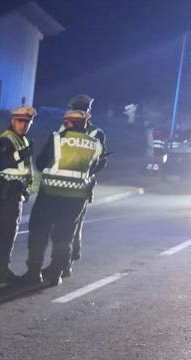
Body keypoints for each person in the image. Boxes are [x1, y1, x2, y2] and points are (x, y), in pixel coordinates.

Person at [25, 98, 104, 287]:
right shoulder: (95, 142)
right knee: (64, 235)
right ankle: (56, 274)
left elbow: (41, 163)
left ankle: (34, 272)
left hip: (50, 194)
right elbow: (98, 165)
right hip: (76, 197)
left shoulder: (58, 138)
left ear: (68, 121)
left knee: (39, 232)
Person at [0, 105, 36, 282]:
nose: (24, 125)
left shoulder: (22, 139)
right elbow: (2, 162)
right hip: (5, 191)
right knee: (6, 231)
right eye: (21, 121)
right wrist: (22, 154)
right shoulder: (5, 139)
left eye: (27, 122)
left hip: (13, 191)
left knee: (5, 231)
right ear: (13, 120)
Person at [70, 95, 111, 264]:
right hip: (60, 184)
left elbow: (102, 161)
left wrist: (88, 174)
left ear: (88, 112)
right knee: (66, 225)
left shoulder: (95, 133)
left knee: (74, 223)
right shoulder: (66, 129)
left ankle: (69, 258)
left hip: (81, 186)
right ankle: (66, 258)